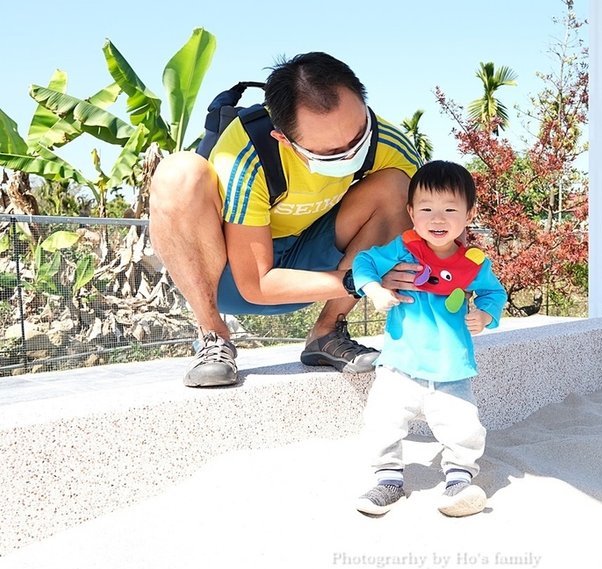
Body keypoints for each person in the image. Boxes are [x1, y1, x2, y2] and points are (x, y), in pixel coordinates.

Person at [149, 52, 424, 387]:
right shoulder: (246, 152)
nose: (351, 155)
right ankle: (213, 337)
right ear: (284, 139)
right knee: (177, 173)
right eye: (329, 153)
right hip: (230, 277)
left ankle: (327, 333)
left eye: (357, 138)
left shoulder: (388, 141)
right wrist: (359, 280)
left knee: (400, 188)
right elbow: (257, 285)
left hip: (314, 266)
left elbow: (434, 224)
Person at [351, 160, 507, 518]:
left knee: (463, 427)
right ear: (411, 212)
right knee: (382, 422)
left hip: (451, 367)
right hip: (399, 364)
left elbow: (494, 294)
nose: (438, 219)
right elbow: (364, 262)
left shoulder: (474, 264)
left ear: (469, 214)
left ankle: (458, 480)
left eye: (450, 209)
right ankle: (387, 481)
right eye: (426, 209)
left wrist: (484, 314)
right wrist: (374, 289)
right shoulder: (403, 249)